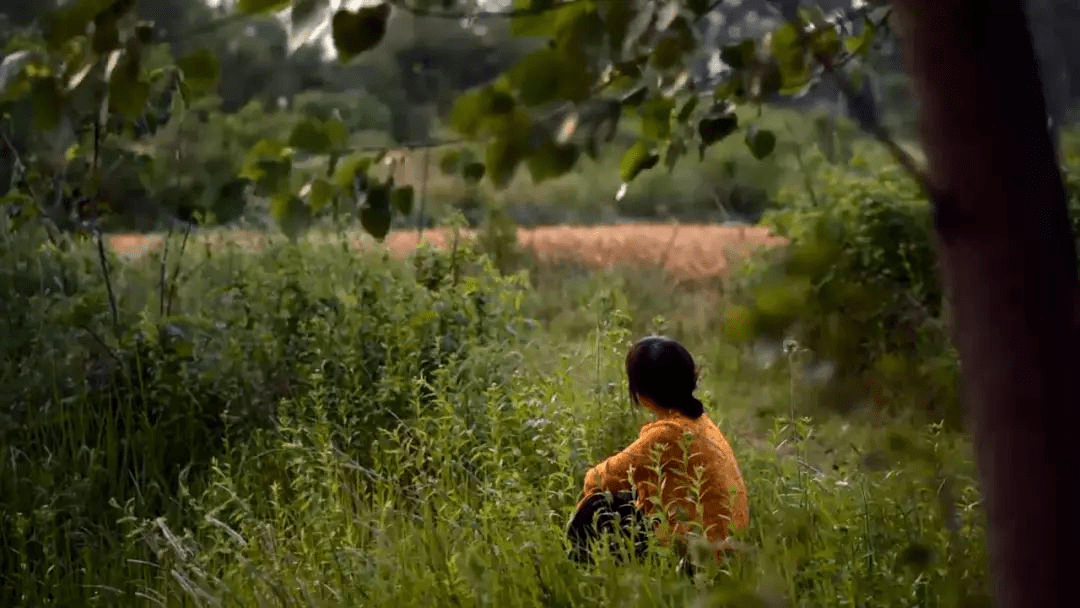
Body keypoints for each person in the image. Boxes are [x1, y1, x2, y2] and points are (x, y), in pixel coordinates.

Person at [566, 336, 750, 565]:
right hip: (728, 550)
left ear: (642, 392)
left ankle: (589, 579)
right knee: (633, 497)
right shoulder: (701, 422)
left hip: (700, 556)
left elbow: (598, 478)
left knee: (597, 507)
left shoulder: (668, 434)